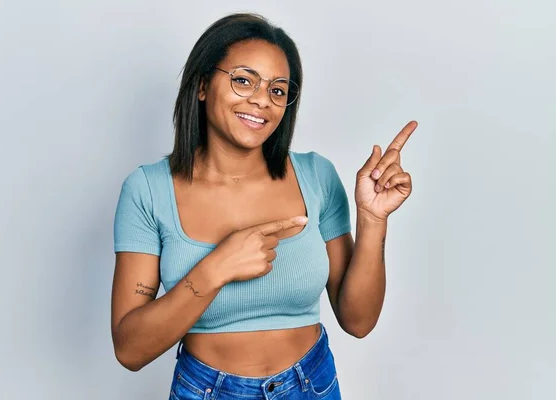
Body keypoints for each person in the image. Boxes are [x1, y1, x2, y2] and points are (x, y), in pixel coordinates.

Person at [110, 12, 416, 399]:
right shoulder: (148, 190)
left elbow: (358, 320)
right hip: (208, 390)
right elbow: (130, 348)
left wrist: (372, 220)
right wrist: (216, 268)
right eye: (243, 80)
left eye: (277, 89)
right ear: (203, 84)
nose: (261, 100)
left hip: (312, 385)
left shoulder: (317, 175)